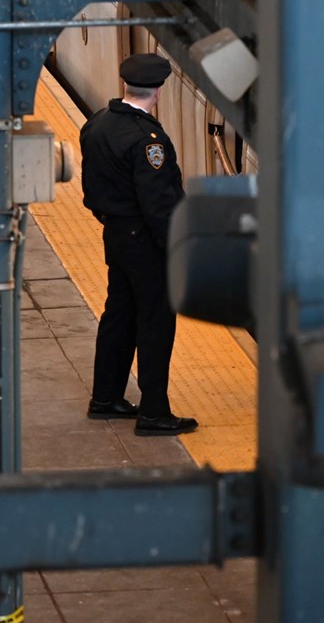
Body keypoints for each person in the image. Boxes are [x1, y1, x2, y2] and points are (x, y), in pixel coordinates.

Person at [79, 53, 199, 437]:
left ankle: (106, 396)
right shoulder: (149, 141)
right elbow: (160, 206)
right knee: (155, 321)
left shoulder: (97, 124)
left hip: (116, 234)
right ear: (158, 92)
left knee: (119, 313)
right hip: (146, 242)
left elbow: (92, 189)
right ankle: (153, 412)